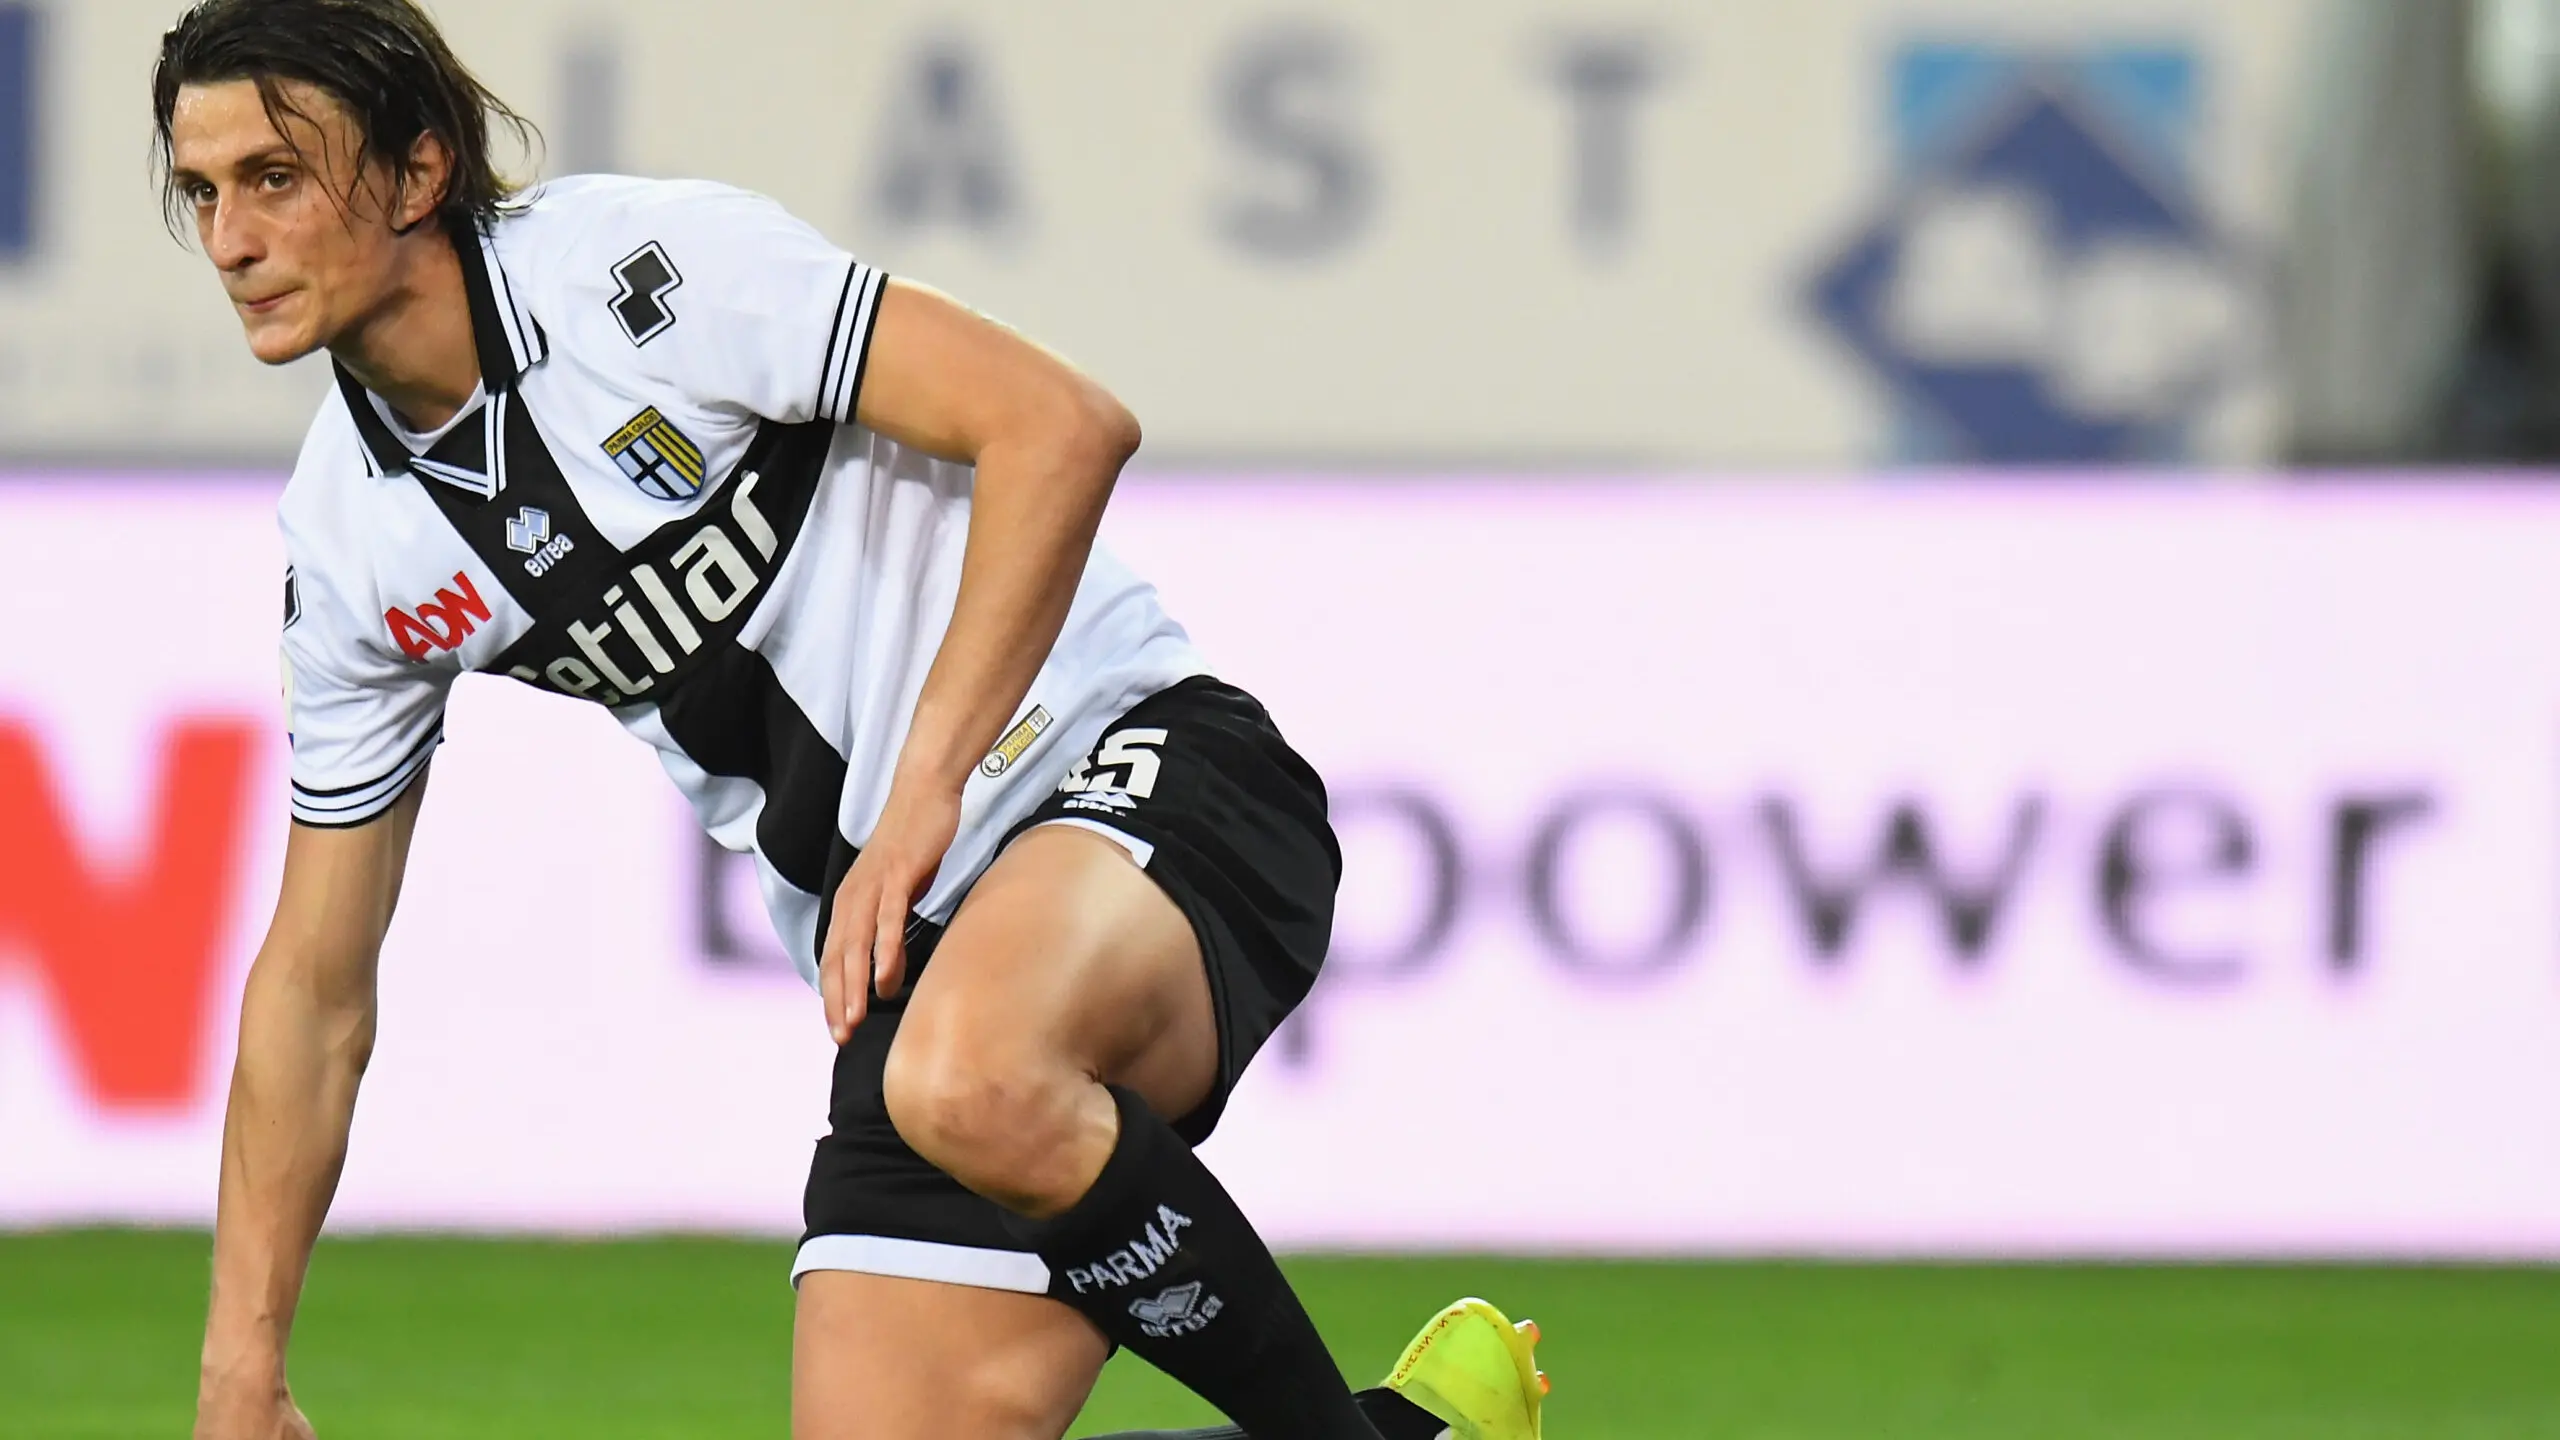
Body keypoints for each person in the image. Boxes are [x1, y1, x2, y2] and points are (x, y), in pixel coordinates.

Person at [157, 3, 1549, 1439]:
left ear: (416, 171)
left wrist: (927, 789)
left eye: (275, 176)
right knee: (952, 1095)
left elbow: (1060, 425)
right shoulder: (350, 552)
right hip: (915, 957)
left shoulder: (636, 276)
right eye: (202, 191)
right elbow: (315, 990)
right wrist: (239, 1368)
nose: (230, 238)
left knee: (970, 1072)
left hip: (1134, 773)